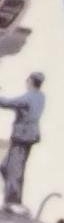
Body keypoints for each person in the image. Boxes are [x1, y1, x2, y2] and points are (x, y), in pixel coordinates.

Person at [0, 72, 45, 210]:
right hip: (28, 136)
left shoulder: (28, 97)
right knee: (5, 166)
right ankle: (14, 197)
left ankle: (12, 202)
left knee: (14, 168)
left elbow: (7, 103)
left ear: (30, 81)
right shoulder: (40, 96)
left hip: (22, 137)